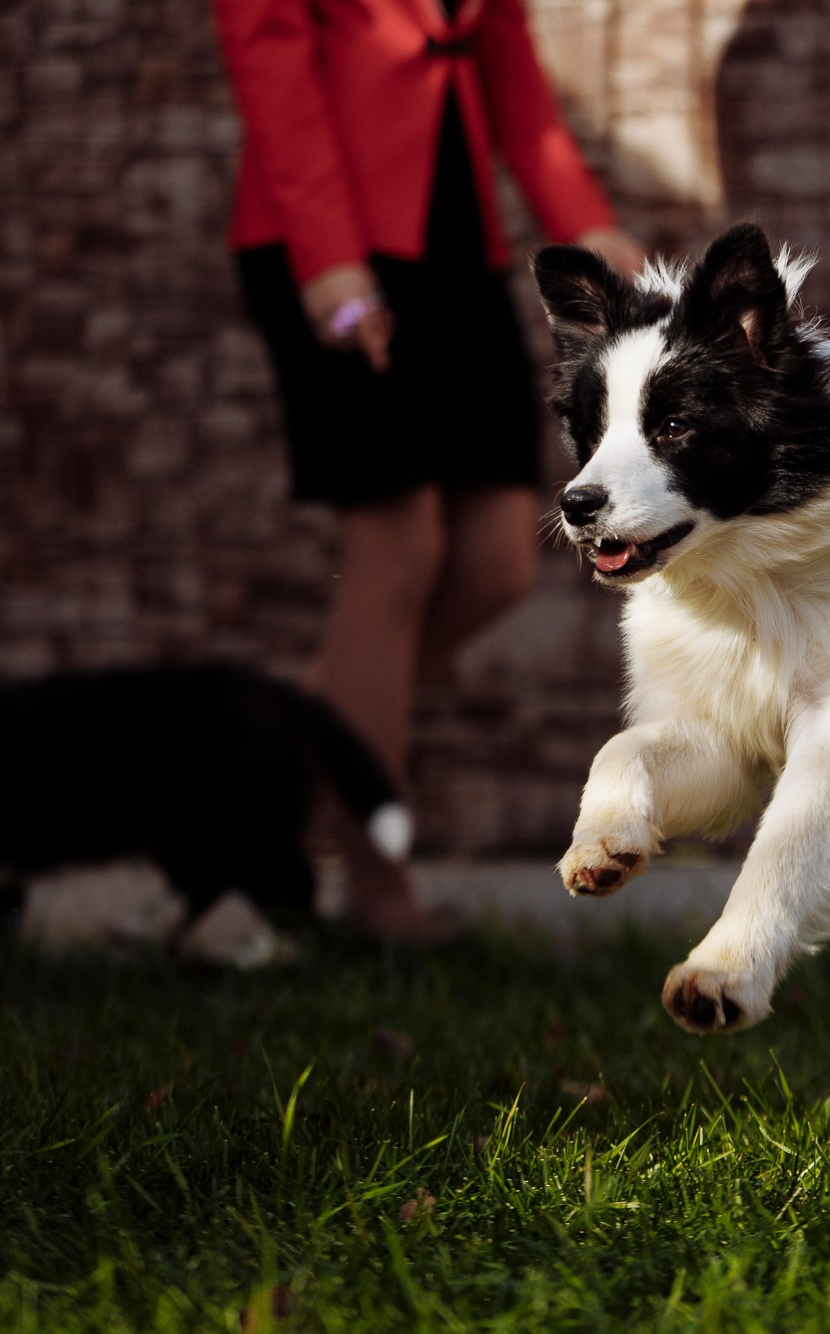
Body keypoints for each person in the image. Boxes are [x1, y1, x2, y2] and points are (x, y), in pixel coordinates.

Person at [213, 0, 644, 937]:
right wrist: (330, 262)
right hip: (327, 241)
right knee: (396, 555)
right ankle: (378, 892)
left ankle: (266, 761)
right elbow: (271, 67)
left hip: (456, 245)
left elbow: (513, 78)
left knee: (498, 560)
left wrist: (590, 226)